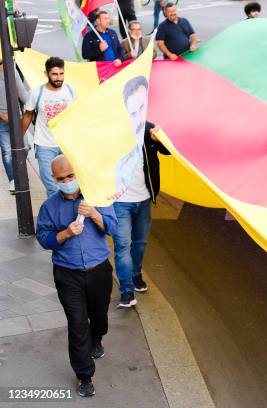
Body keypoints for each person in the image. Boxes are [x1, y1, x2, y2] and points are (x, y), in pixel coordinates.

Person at [36, 155, 117, 398]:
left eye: (70, 176)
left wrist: (94, 214)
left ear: (78, 173)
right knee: (77, 324)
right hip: (67, 274)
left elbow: (112, 228)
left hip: (99, 270)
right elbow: (43, 238)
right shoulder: (49, 207)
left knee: (99, 315)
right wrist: (65, 234)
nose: (67, 181)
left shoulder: (96, 197)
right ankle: (84, 375)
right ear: (54, 179)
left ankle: (98, 337)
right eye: (61, 179)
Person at [112, 77, 171, 308]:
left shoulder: (148, 129)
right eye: (134, 105)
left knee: (140, 243)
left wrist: (160, 138)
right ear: (124, 103)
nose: (138, 111)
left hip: (144, 199)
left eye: (142, 104)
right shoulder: (113, 132)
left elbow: (167, 152)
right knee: (122, 246)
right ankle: (126, 290)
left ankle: (135, 275)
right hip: (120, 201)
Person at [21, 57, 76, 196]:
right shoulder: (36, 93)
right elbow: (28, 116)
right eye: (54, 74)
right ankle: (57, 216)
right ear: (46, 74)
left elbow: (78, 115)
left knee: (72, 184)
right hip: (45, 145)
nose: (59, 78)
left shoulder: (70, 90)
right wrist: (17, 139)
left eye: (61, 74)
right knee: (52, 187)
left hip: (67, 145)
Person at [0, 59, 29, 193]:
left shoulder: (12, 69)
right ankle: (13, 180)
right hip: (2, 119)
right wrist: (3, 116)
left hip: (17, 116)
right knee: (7, 151)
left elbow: (23, 94)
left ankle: (20, 174)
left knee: (24, 147)